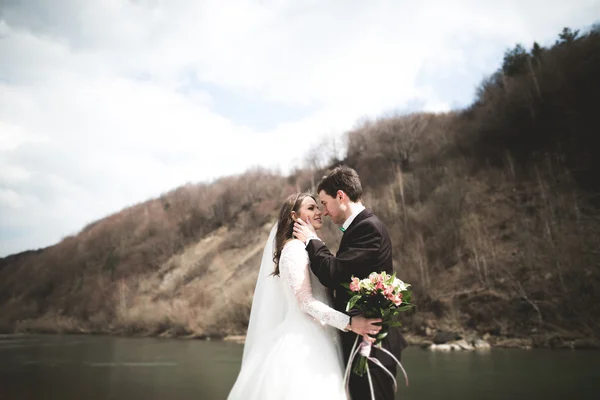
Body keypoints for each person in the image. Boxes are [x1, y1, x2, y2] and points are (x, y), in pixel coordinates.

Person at [228, 193, 382, 400]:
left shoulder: (307, 248)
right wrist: (350, 323)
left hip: (321, 336)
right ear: (294, 215)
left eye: (318, 207)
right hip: (303, 343)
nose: (319, 212)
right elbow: (306, 302)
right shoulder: (294, 250)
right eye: (311, 208)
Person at [294, 166, 408, 400]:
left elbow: (334, 272)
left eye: (324, 203)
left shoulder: (368, 228)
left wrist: (312, 241)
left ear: (341, 196)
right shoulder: (358, 228)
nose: (324, 212)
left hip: (373, 342)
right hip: (360, 336)